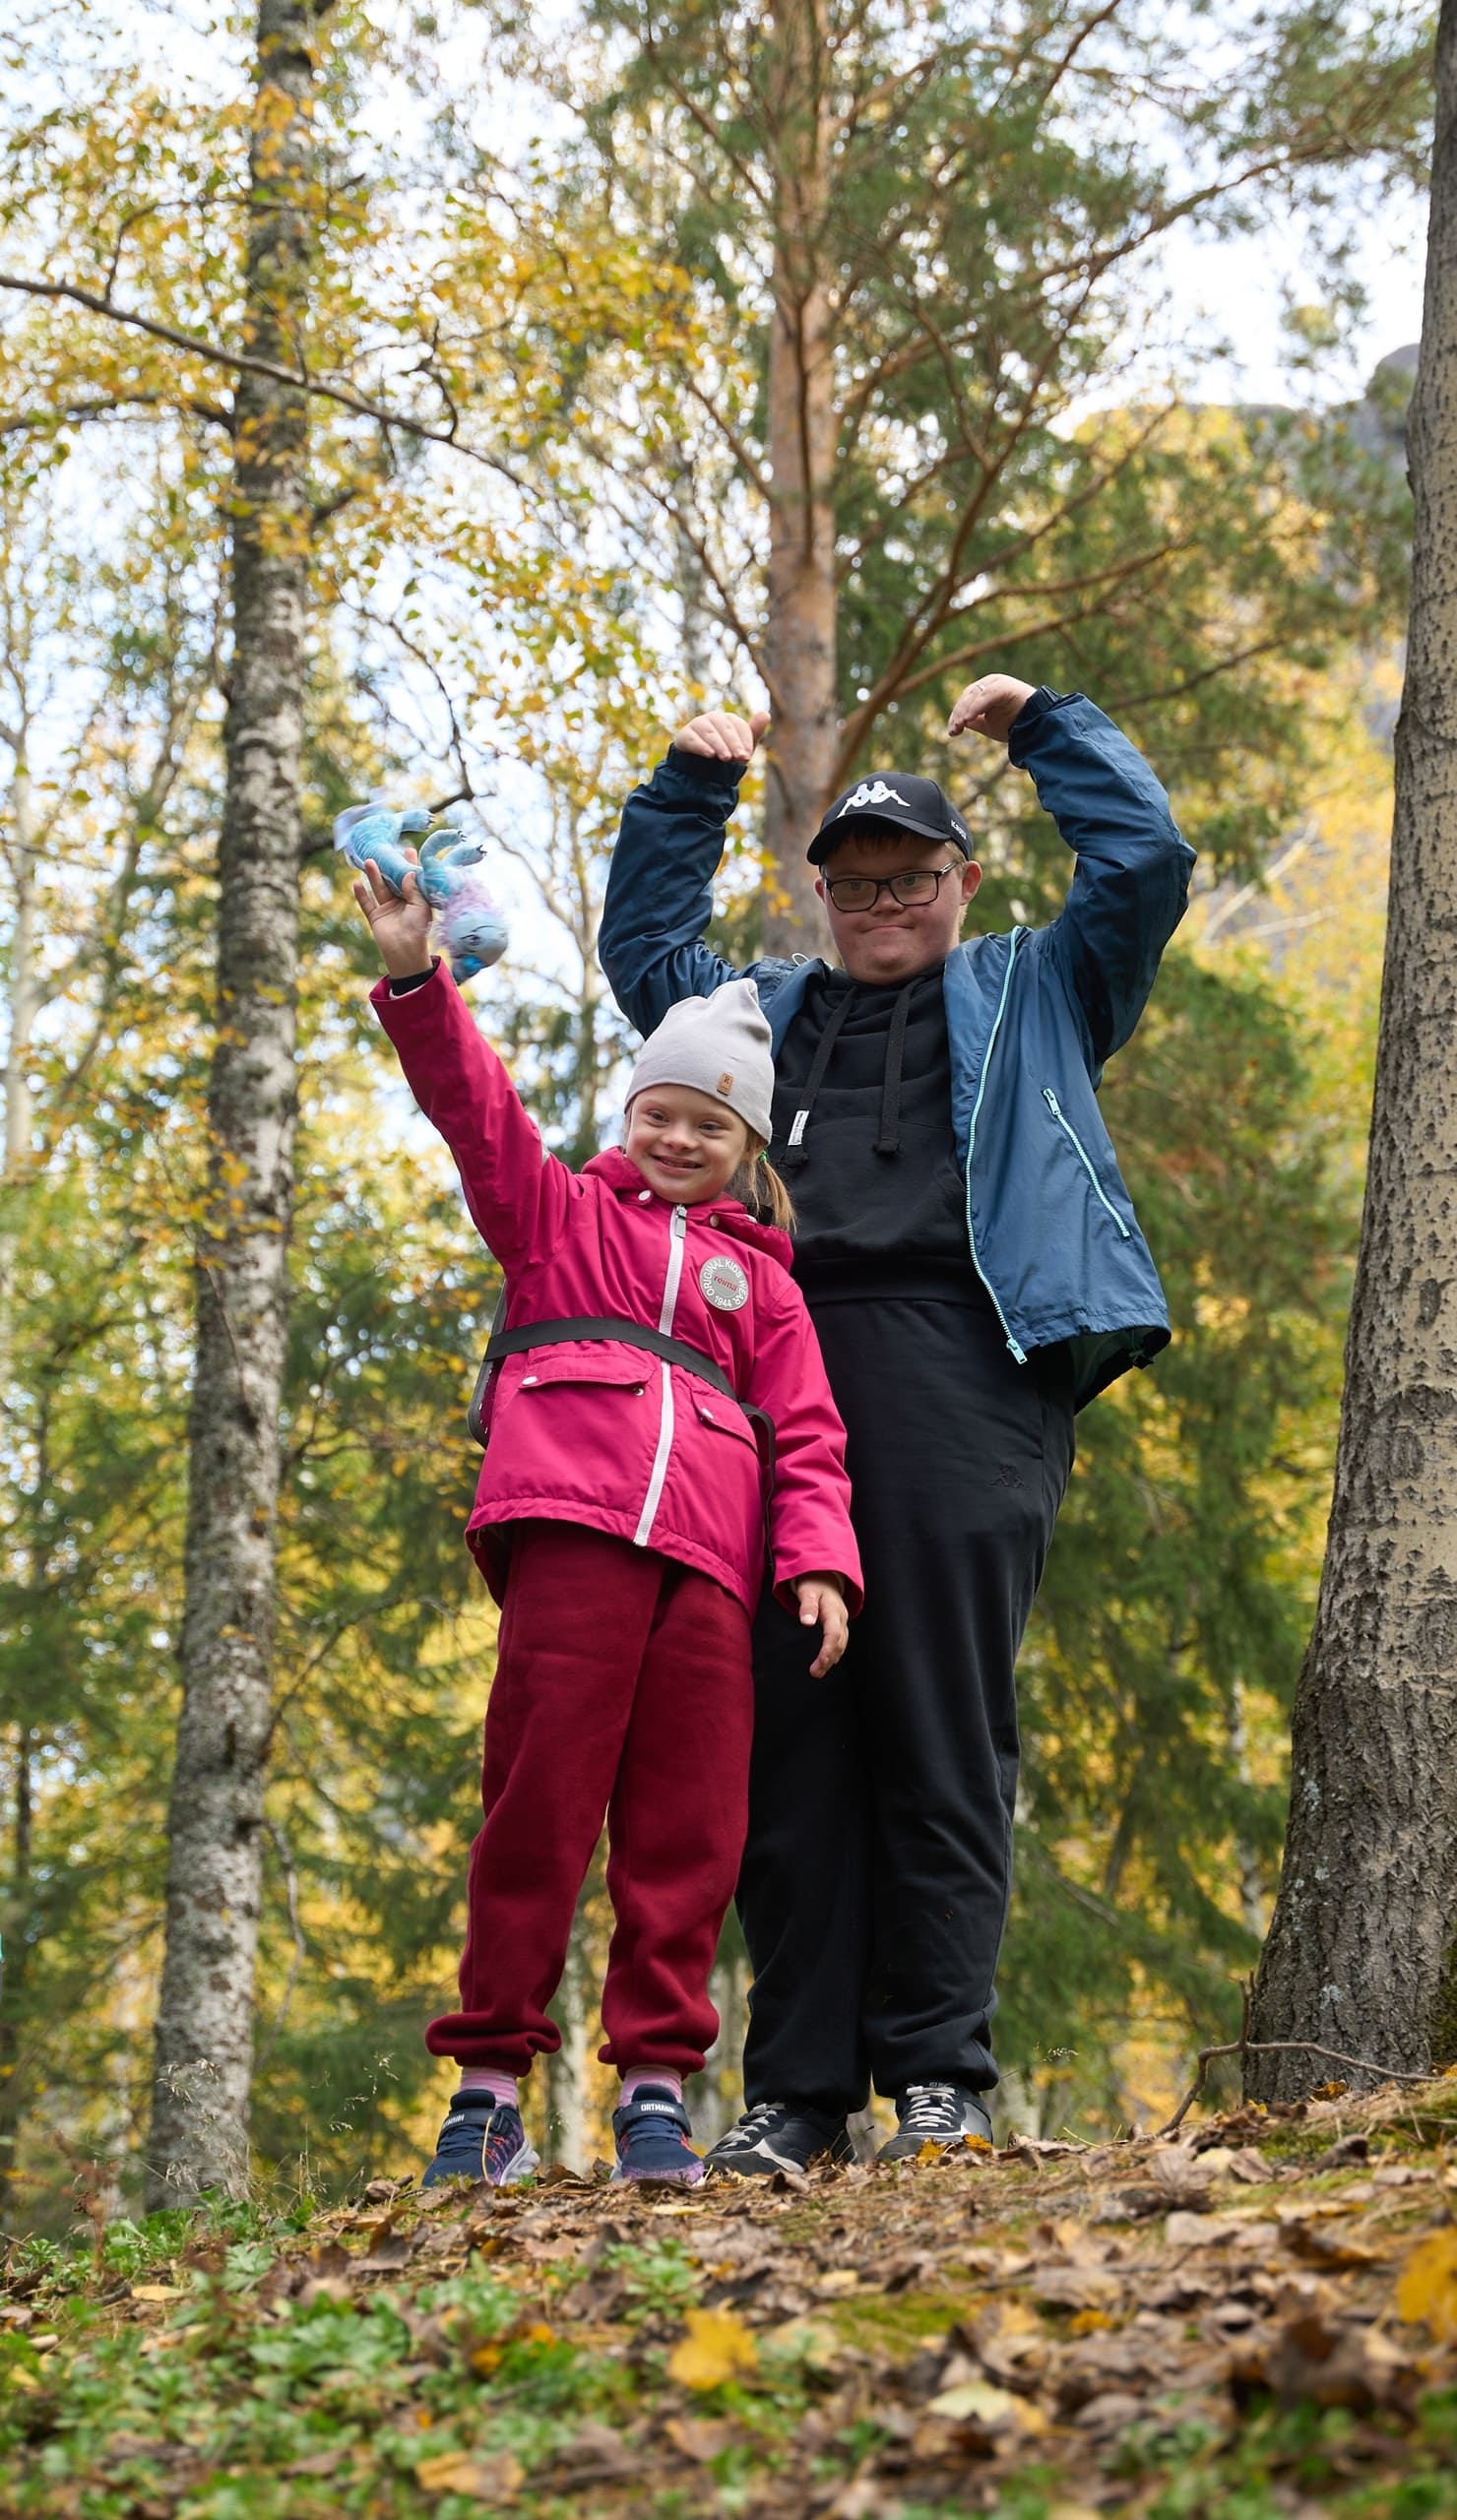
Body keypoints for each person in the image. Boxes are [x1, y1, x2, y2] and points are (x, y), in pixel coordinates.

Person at [600, 671, 1195, 2174]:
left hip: (967, 1371)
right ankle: (798, 2096)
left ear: (961, 881)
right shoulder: (767, 1014)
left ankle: (939, 2076)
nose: (882, 906)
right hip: (771, 1385)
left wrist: (1049, 726)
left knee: (935, 1724)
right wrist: (687, 790)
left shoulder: (1039, 987)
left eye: (910, 879)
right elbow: (649, 961)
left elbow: (1143, 862)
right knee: (786, 1744)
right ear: (822, 896)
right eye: (855, 884)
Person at [354, 850, 862, 2186]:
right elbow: (476, 1113)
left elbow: (809, 1436)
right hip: (571, 1537)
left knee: (690, 1829)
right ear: (631, 1114)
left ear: (748, 1148)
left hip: (710, 1571)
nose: (679, 1140)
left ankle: (653, 2091)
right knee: (537, 1804)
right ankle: (485, 2090)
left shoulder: (769, 1292)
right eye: (661, 1114)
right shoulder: (559, 1219)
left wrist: (818, 1562)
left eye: (710, 1125)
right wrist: (418, 981)